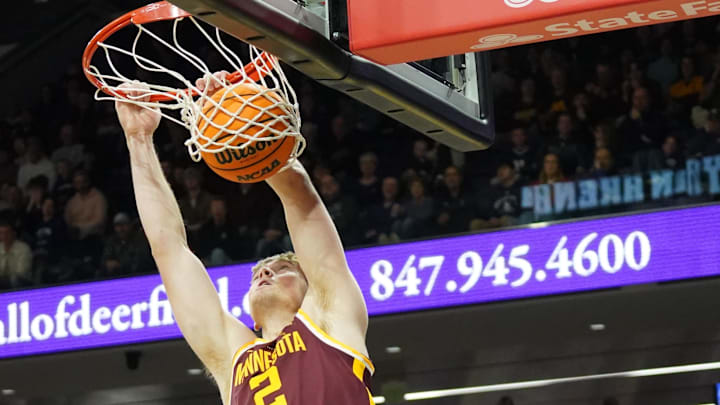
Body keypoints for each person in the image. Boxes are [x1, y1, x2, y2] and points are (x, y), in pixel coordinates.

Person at [115, 80, 373, 405]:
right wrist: (138, 140)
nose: (265, 274)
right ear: (251, 315)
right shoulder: (233, 359)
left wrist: (244, 120)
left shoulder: (331, 320)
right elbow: (169, 251)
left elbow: (301, 201)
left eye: (282, 269)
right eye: (258, 274)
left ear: (313, 289)